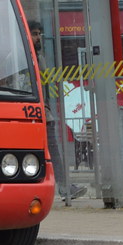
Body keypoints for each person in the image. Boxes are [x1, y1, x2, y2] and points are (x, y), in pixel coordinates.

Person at [28, 20, 86, 199]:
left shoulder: (38, 57)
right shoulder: (22, 57)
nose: (38, 38)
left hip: (42, 110)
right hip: (31, 111)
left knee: (52, 150)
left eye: (39, 34)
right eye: (34, 33)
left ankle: (64, 186)